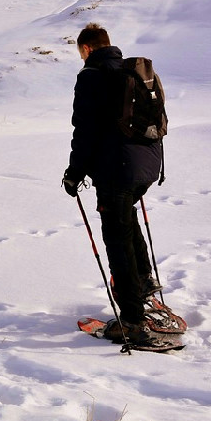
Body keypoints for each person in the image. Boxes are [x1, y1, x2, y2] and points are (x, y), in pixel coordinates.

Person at [61, 23, 164, 346]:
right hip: (146, 166)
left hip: (116, 169)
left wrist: (74, 173)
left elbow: (85, 131)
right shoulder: (131, 71)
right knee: (126, 219)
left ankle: (132, 320)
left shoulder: (91, 77)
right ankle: (144, 285)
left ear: (87, 49)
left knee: (116, 241)